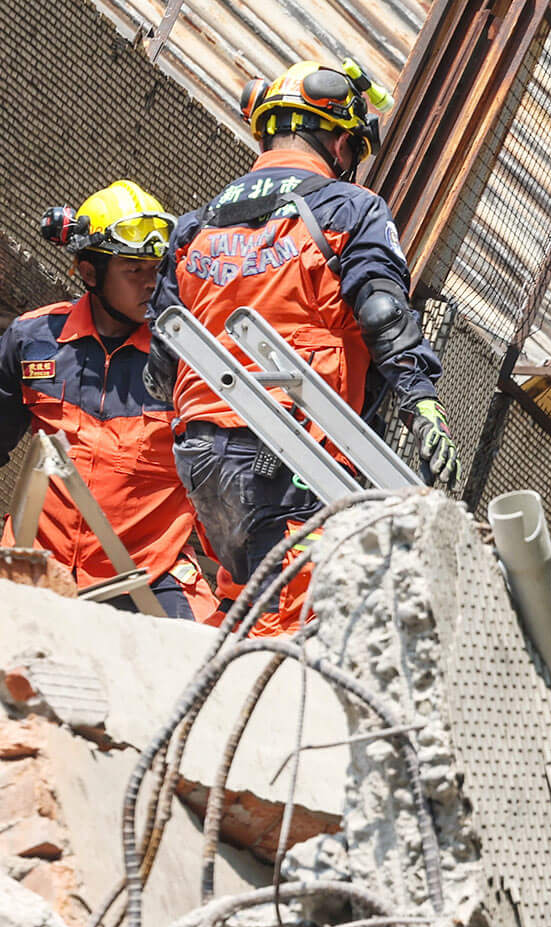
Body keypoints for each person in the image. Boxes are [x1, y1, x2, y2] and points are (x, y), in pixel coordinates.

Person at [146, 57, 453, 633]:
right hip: (297, 449)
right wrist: (421, 403)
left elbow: (161, 361)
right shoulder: (348, 207)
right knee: (293, 625)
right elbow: (383, 311)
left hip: (203, 454)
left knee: (243, 598)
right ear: (339, 142)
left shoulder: (195, 227)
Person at [0, 182, 215, 620]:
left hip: (147, 574)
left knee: (203, 670)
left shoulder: (187, 360)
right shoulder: (34, 340)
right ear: (89, 272)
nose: (151, 284)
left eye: (157, 269)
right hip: (35, 564)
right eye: (133, 271)